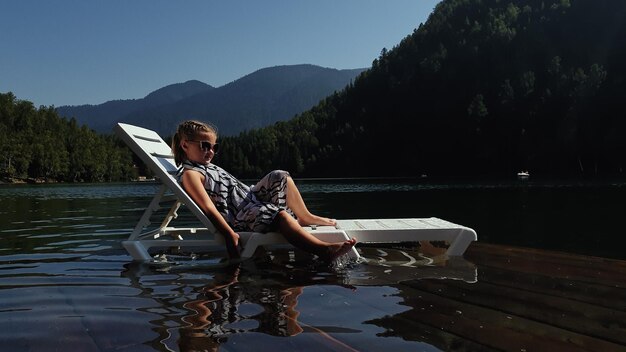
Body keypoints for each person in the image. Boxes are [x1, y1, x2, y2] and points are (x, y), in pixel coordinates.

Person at [171, 120, 356, 261]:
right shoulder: (191, 174)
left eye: (214, 147)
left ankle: (305, 216)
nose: (210, 151)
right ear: (185, 145)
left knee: (279, 175)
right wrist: (229, 234)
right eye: (204, 145)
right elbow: (208, 208)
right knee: (278, 214)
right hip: (241, 215)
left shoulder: (206, 166)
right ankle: (323, 250)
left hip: (250, 198)